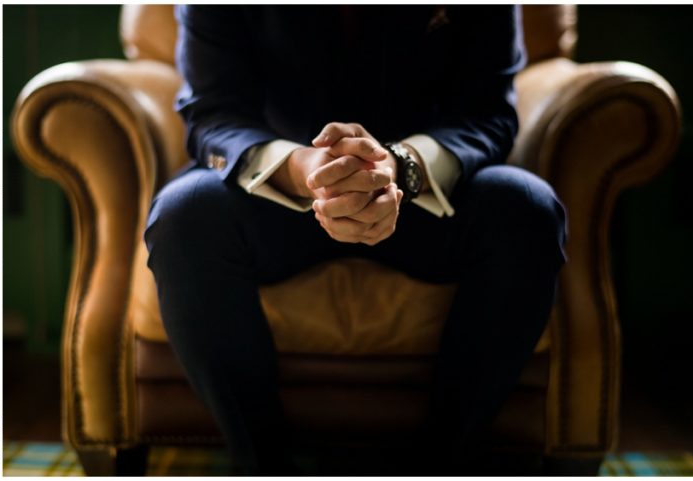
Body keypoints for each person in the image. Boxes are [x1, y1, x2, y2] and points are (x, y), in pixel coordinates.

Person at [144, 5, 568, 474]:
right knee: (183, 215)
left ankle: (445, 461)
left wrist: (401, 166)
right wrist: (299, 169)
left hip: (425, 194)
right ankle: (262, 461)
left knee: (528, 209)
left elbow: (487, 113)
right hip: (276, 193)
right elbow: (213, 112)